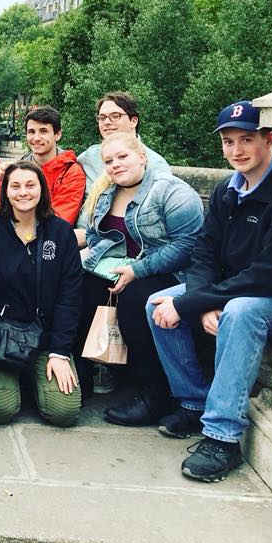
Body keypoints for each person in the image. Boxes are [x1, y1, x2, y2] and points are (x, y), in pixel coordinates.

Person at [147, 100, 272, 483]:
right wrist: (200, 303)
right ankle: (193, 401)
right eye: (228, 142)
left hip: (269, 297)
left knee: (240, 312)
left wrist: (198, 301)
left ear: (270, 139)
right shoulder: (227, 188)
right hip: (226, 290)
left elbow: (267, 273)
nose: (236, 151)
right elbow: (204, 253)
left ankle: (223, 437)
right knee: (155, 303)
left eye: (247, 140)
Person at [77, 133, 204, 424]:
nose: (115, 165)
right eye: (109, 161)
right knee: (79, 288)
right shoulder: (106, 192)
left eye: (123, 157)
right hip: (121, 266)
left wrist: (137, 271)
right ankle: (83, 376)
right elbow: (98, 236)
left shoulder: (170, 192)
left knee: (135, 299)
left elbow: (188, 245)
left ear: (142, 157)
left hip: (170, 272)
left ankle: (155, 395)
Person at [0, 162, 83, 426]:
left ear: (42, 189)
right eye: (15, 186)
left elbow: (69, 296)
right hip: (2, 336)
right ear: (5, 191)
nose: (23, 192)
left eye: (30, 185)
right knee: (1, 412)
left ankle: (34, 377)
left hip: (45, 337)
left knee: (64, 412)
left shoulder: (60, 232)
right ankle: (12, 379)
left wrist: (60, 352)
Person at [75, 92, 171, 222]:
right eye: (102, 118)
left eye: (115, 116)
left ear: (133, 121)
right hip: (82, 233)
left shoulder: (155, 164)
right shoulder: (89, 157)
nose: (107, 122)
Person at [0, 106, 85, 226]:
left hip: (47, 239)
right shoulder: (14, 171)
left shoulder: (71, 173)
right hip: (9, 235)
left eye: (43, 131)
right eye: (31, 132)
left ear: (57, 134)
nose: (36, 138)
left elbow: (61, 220)